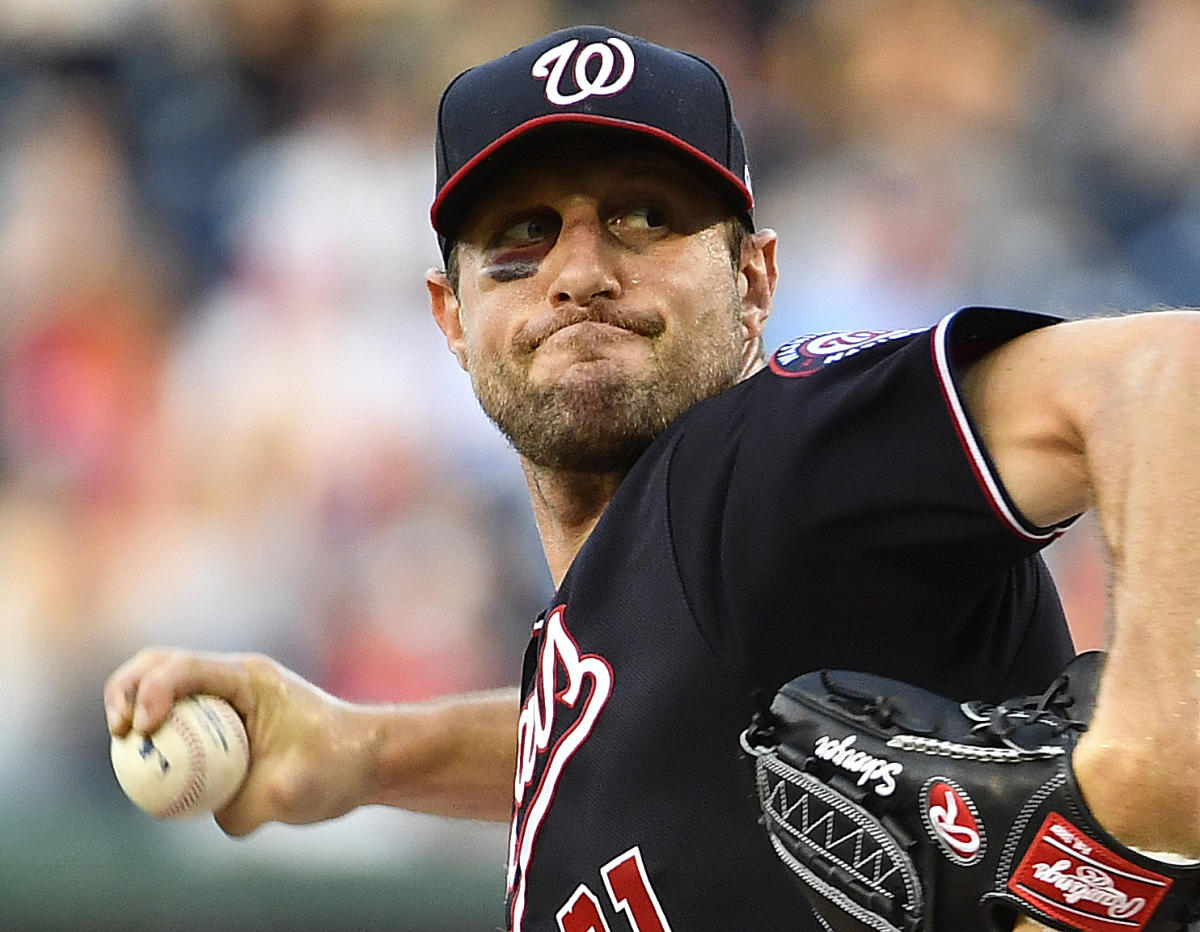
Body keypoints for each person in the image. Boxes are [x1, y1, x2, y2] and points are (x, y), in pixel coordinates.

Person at [105, 25, 1200, 932]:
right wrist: (365, 748)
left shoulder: (759, 468)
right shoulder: (634, 610)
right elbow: (645, 729)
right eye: (522, 236)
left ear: (755, 279)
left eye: (644, 216)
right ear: (453, 315)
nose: (581, 270)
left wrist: (1151, 772)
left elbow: (1168, 373)